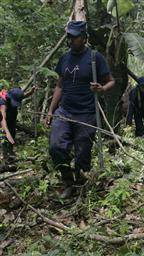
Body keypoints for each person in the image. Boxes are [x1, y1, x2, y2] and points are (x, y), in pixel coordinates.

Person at [46, 21, 115, 199]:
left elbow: (111, 81)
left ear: (84, 38)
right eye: (69, 37)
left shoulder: (95, 57)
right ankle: (68, 182)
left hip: (86, 113)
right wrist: (51, 110)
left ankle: (81, 183)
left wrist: (102, 89)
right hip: (65, 111)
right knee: (56, 146)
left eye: (74, 37)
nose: (71, 40)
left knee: (83, 153)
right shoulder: (64, 58)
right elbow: (60, 86)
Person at [0, 87, 35, 164]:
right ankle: (5, 157)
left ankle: (10, 152)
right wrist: (6, 132)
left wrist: (31, 92)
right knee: (4, 137)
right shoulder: (3, 102)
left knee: (12, 134)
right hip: (3, 121)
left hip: (11, 120)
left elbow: (23, 96)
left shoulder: (15, 96)